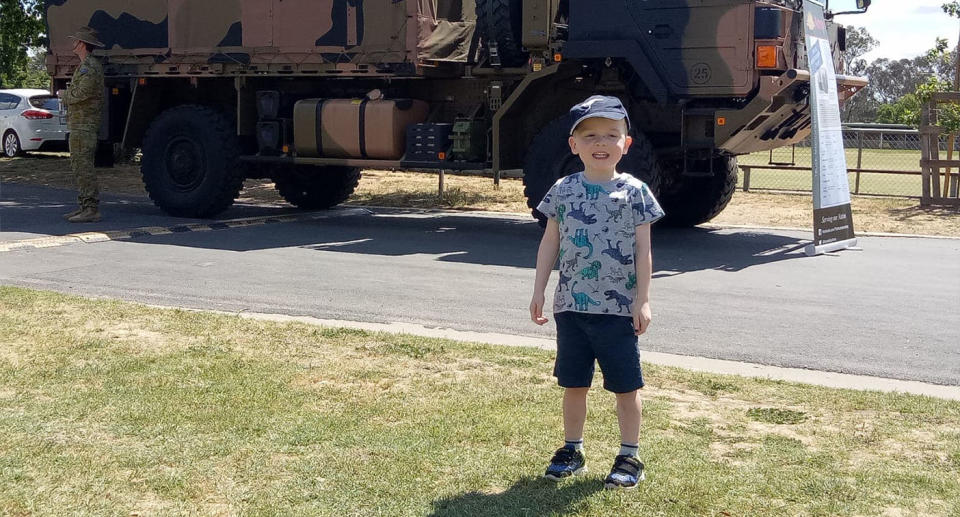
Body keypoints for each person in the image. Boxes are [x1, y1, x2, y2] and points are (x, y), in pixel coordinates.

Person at [529, 95, 664, 489]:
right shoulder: (563, 190)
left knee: (626, 385)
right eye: (589, 135)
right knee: (574, 384)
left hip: (618, 310)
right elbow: (550, 243)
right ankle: (572, 449)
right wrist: (539, 290)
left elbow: (644, 251)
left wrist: (643, 299)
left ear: (626, 143)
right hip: (571, 307)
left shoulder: (635, 192)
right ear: (573, 145)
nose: (600, 142)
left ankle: (629, 455)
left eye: (610, 134)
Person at [59, 26, 105, 223]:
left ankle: (91, 208)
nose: (73, 44)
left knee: (84, 166)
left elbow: (82, 93)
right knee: (79, 166)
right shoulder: (85, 65)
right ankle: (84, 206)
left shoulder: (90, 67)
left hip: (84, 125)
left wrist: (64, 96)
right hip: (79, 124)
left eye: (75, 41)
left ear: (82, 44)